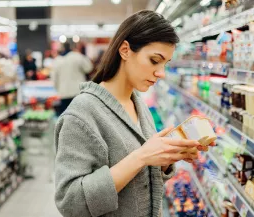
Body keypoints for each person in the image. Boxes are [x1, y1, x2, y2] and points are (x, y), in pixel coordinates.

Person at [54, 10, 214, 217]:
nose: (161, 73)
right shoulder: (82, 114)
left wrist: (165, 159)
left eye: (165, 64)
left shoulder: (138, 104)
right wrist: (141, 156)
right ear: (125, 50)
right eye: (155, 60)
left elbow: (138, 182)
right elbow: (70, 202)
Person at [52, 42, 93, 116]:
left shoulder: (57, 60)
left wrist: (58, 90)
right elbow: (89, 68)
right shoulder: (77, 56)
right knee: (80, 117)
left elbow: (54, 79)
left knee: (66, 118)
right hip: (78, 92)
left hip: (64, 93)